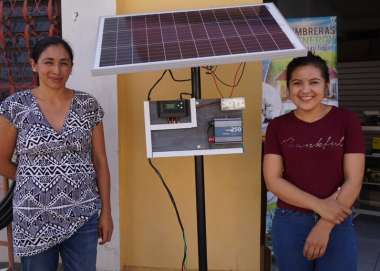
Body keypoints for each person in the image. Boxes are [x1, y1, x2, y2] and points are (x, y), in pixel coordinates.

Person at [0, 36, 113, 271]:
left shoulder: (87, 105)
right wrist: (30, 178)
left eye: (64, 63)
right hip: (33, 218)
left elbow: (100, 162)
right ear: (34, 65)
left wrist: (106, 212)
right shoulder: (16, 106)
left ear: (71, 67)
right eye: (48, 62)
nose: (56, 70)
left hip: (82, 214)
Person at [263, 52, 365, 271]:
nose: (305, 90)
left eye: (314, 82)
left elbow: (354, 180)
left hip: (337, 219)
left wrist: (325, 224)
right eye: (297, 83)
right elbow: (273, 180)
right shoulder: (277, 127)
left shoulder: (346, 120)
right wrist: (320, 206)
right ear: (288, 88)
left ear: (326, 86)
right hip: (290, 222)